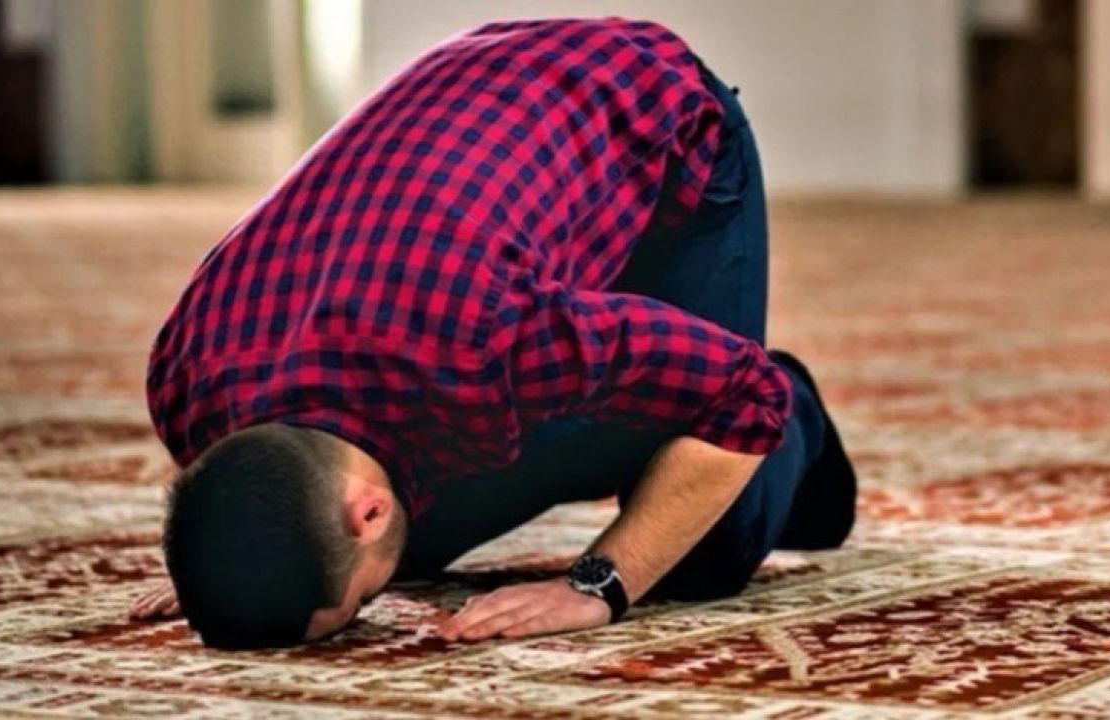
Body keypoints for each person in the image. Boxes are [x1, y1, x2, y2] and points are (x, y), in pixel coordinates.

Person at [131, 16, 857, 649]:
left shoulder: (489, 342)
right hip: (485, 111)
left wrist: (597, 585)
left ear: (365, 508)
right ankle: (642, 410)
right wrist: (223, 570)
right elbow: (263, 508)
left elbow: (742, 391)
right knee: (403, 546)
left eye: (358, 609)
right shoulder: (186, 379)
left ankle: (799, 413)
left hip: (653, 110)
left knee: (703, 547)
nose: (367, 611)